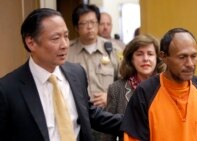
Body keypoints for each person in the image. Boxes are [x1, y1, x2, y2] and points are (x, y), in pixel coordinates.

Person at [0, 8, 122, 141]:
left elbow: (89, 114)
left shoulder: (76, 73)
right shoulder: (8, 89)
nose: (64, 45)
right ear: (31, 43)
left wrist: (137, 121)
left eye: (66, 36)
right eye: (56, 38)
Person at [120, 27, 197, 141]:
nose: (190, 64)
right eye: (182, 57)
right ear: (163, 57)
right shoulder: (145, 93)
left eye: (193, 56)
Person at [101, 34, 165, 141]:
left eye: (150, 54)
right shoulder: (116, 89)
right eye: (139, 54)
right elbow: (108, 132)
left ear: (157, 59)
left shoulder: (166, 86)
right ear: (131, 59)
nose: (145, 59)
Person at [67, 4, 123, 108]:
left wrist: (110, 96)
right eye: (84, 23)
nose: (89, 27)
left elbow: (125, 81)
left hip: (107, 114)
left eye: (93, 22)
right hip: (77, 112)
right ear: (76, 27)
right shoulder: (67, 52)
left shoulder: (114, 50)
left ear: (97, 24)